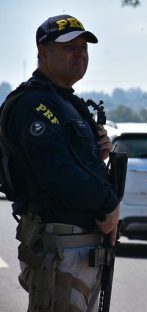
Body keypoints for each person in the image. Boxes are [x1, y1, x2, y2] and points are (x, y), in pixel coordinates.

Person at [1, 15, 120, 311]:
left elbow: (69, 160)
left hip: (79, 249)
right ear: (42, 51)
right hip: (60, 249)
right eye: (70, 47)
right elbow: (57, 175)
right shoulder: (34, 104)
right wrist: (108, 204)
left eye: (84, 47)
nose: (80, 53)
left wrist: (97, 153)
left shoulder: (66, 102)